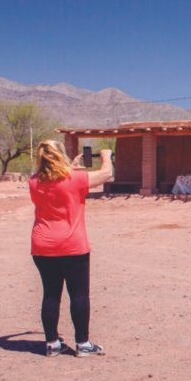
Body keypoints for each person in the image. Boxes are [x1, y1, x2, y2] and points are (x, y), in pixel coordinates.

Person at [29, 141, 113, 357]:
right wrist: (106, 155)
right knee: (79, 295)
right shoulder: (75, 179)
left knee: (50, 294)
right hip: (72, 245)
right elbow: (106, 174)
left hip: (42, 246)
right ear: (61, 156)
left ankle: (52, 344)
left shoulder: (34, 181)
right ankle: (83, 344)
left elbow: (56, 180)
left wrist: (72, 166)